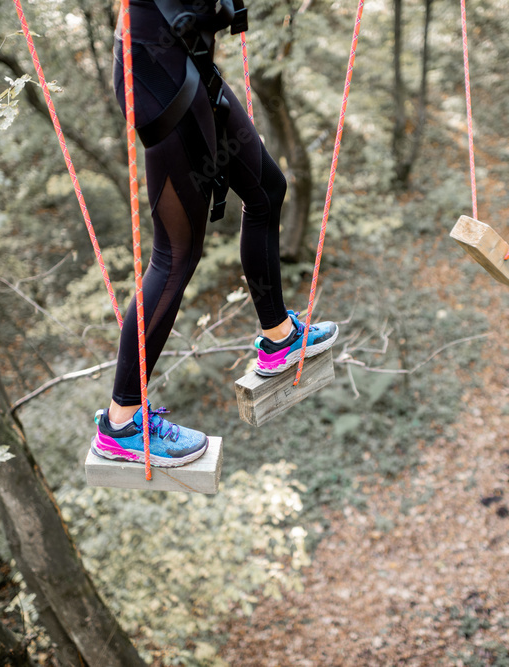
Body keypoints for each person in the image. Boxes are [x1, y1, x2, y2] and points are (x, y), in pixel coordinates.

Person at [90, 0, 338, 467]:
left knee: (267, 189)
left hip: (189, 62)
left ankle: (279, 337)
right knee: (176, 255)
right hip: (159, 72)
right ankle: (120, 424)